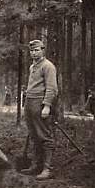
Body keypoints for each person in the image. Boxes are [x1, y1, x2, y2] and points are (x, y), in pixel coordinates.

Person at [20, 40, 58, 180]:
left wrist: (47, 105)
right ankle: (37, 165)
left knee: (44, 136)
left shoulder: (48, 66)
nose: (34, 53)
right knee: (34, 135)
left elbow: (52, 88)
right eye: (32, 51)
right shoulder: (33, 66)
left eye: (37, 50)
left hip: (40, 103)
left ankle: (47, 169)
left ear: (43, 50)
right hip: (30, 102)